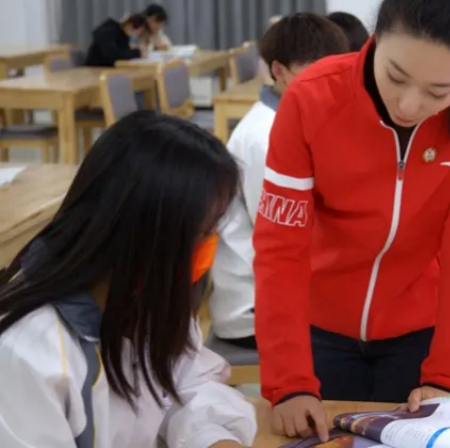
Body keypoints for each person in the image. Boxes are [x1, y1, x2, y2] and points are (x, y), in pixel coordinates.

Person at [253, 0, 450, 441]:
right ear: (376, 37)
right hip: (318, 330)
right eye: (396, 76)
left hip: (418, 335)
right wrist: (288, 381)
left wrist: (445, 376)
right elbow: (280, 248)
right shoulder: (312, 98)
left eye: (439, 92)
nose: (409, 105)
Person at [0, 111, 257, 448]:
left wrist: (214, 439)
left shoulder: (147, 295)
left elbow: (189, 385)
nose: (208, 249)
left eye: (212, 232)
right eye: (200, 234)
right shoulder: (30, 352)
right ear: (141, 234)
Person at [210, 13, 349, 346]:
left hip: (282, 285)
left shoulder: (295, 117)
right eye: (313, 73)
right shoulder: (264, 135)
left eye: (335, 73)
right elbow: (282, 237)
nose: (327, 85)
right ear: (279, 71)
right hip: (255, 306)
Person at [84, 13, 149, 67]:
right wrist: (136, 53)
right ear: (130, 26)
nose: (137, 34)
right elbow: (112, 54)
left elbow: (123, 53)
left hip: (109, 68)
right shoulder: (109, 31)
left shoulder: (124, 35)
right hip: (95, 68)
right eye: (139, 31)